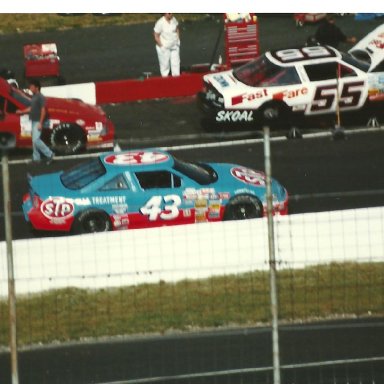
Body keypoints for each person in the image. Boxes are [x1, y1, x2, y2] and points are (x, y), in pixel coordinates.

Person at [16, 79, 54, 163]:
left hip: (38, 121)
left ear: (37, 88)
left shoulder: (40, 97)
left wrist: (40, 123)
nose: (30, 88)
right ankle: (36, 158)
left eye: (31, 87)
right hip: (34, 120)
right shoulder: (34, 97)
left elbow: (43, 110)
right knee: (34, 140)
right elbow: (31, 108)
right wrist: (21, 111)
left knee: (35, 140)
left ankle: (50, 154)